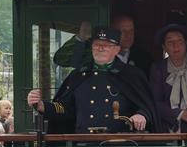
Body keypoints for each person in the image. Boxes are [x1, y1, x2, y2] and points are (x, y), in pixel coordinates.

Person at [26, 26, 160, 134]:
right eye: (97, 44)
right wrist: (43, 106)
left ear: (117, 49)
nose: (100, 48)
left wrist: (142, 115)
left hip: (121, 146)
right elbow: (65, 108)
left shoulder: (131, 75)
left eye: (106, 45)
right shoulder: (79, 75)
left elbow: (147, 107)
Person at [149, 24, 187, 133]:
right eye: (170, 42)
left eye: (180, 41)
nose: (176, 46)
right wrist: (180, 114)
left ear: (186, 44)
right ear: (164, 47)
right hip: (169, 128)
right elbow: (154, 102)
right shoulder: (158, 69)